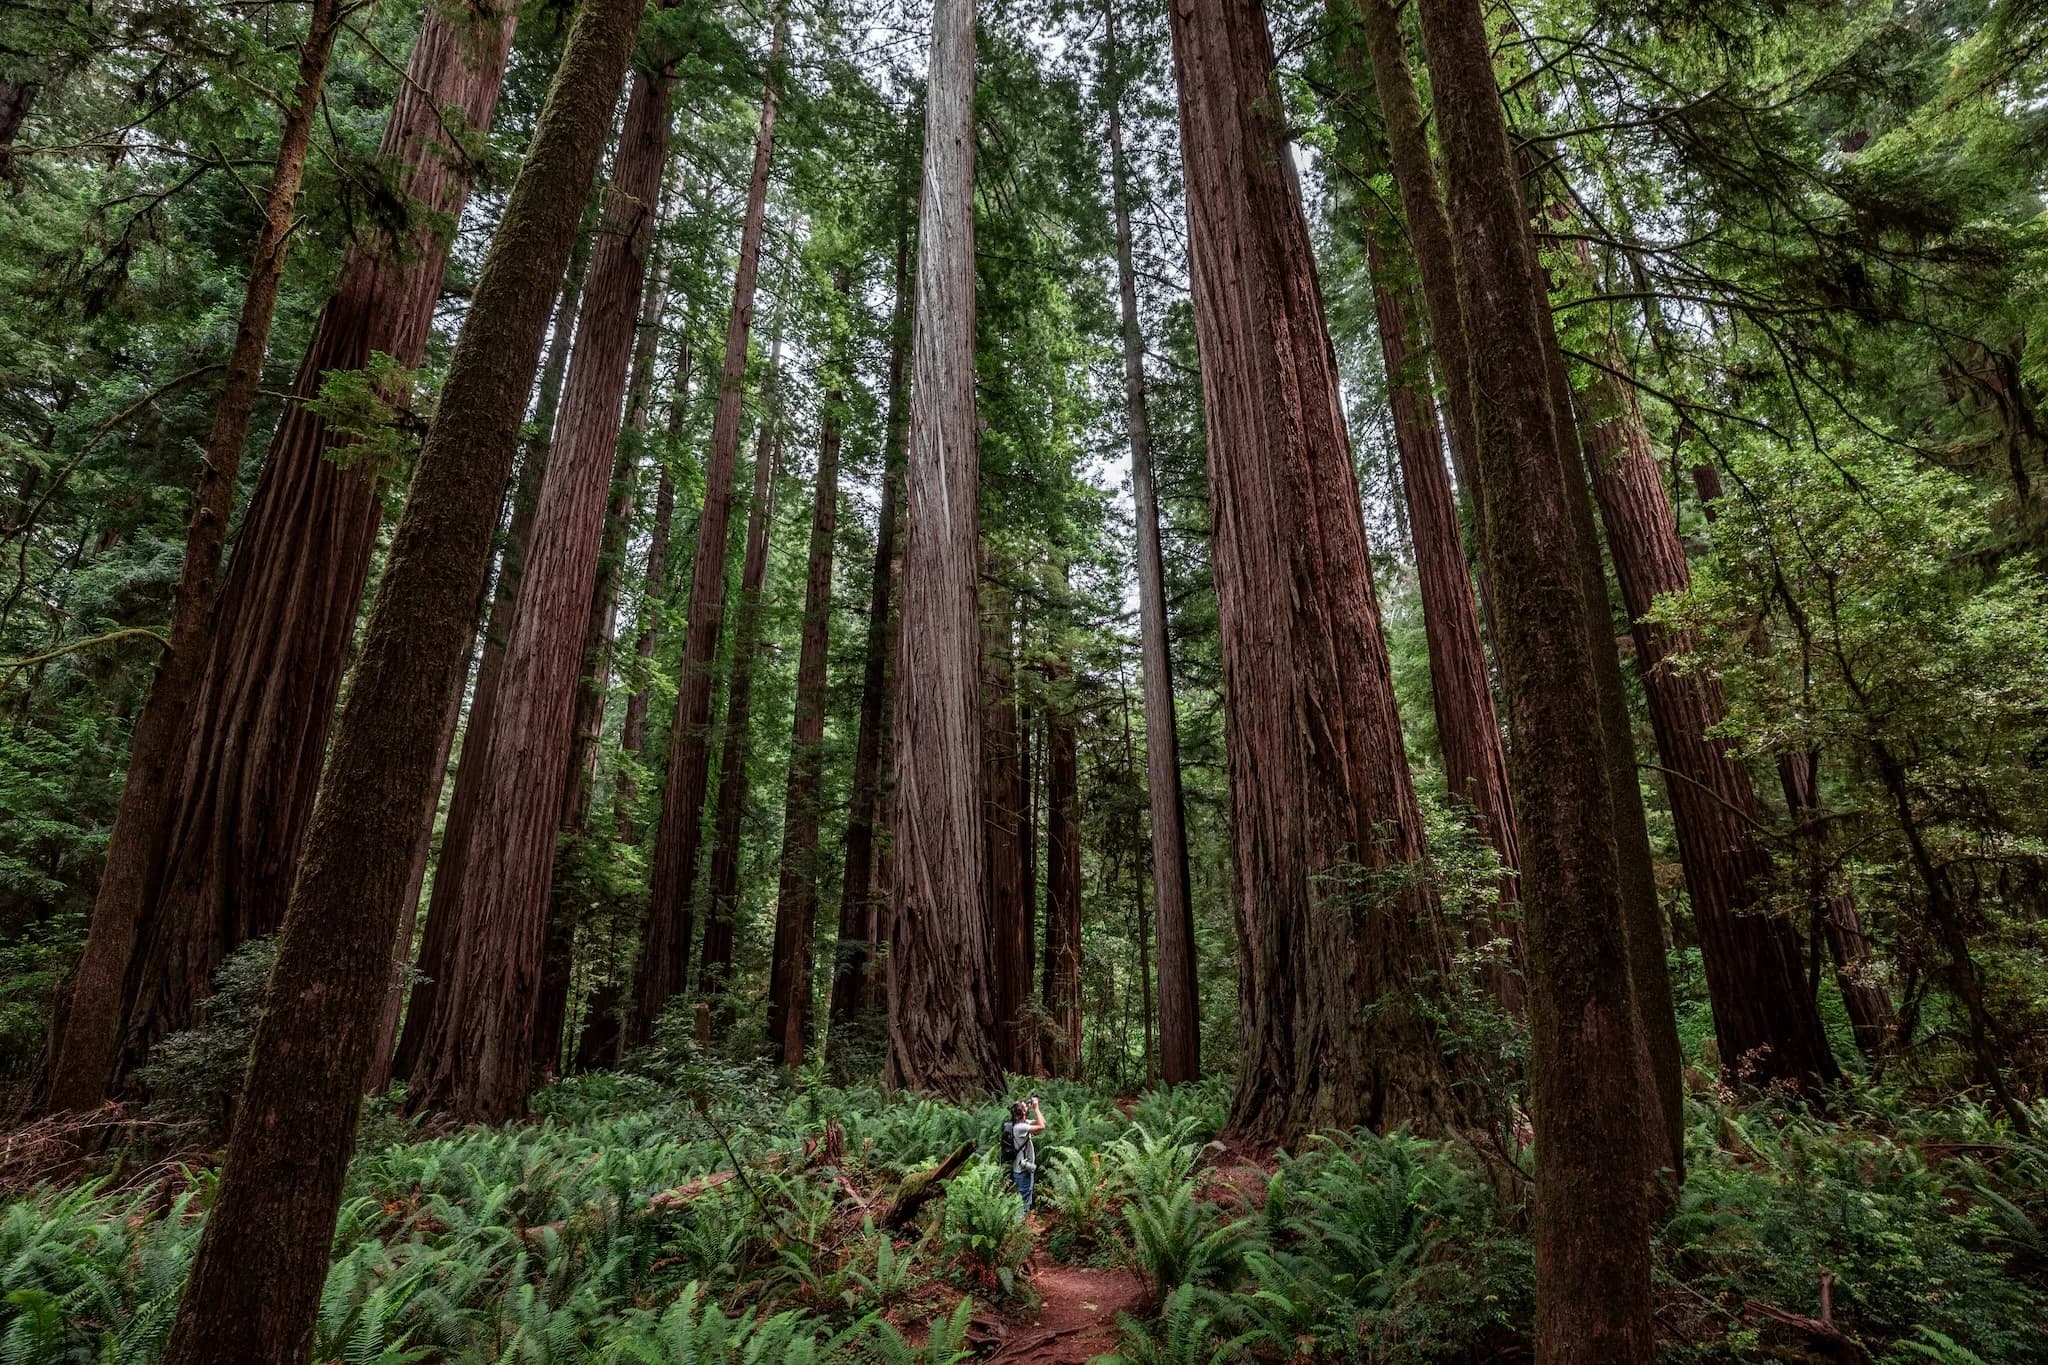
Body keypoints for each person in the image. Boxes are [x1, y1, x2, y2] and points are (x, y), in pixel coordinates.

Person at [1000, 1096, 1045, 1210]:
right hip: (1023, 1171)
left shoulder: (1019, 1124)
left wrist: (1031, 1109)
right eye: (1025, 1106)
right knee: (1024, 1204)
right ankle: (1020, 1226)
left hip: (1021, 1168)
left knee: (1023, 1200)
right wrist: (1036, 1108)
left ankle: (1021, 1224)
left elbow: (1042, 1122)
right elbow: (1042, 1127)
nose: (1027, 1105)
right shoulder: (1021, 1127)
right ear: (1023, 1112)